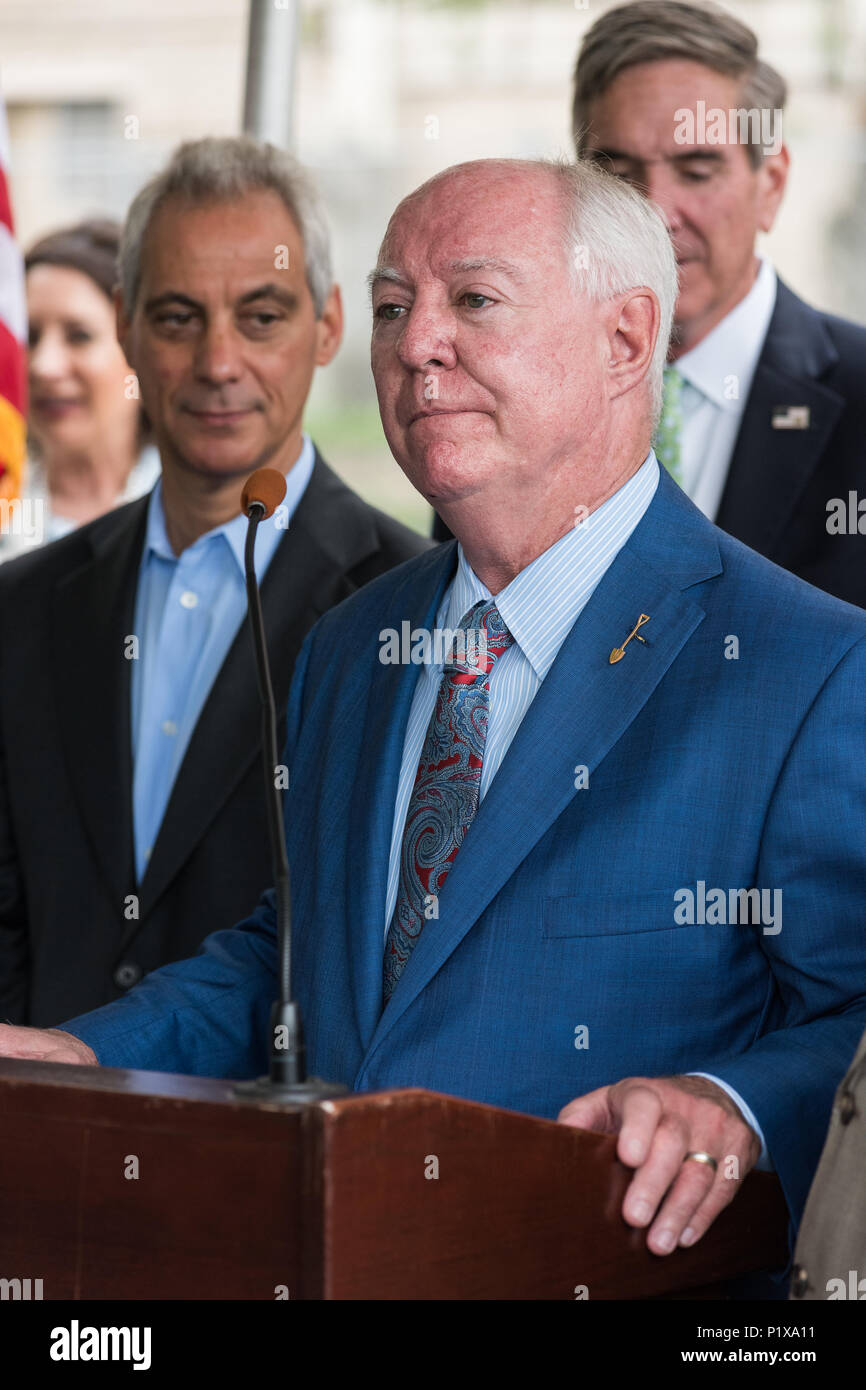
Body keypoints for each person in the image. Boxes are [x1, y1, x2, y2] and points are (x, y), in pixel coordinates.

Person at [2, 157, 864, 1268]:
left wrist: (730, 1103)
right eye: (393, 306)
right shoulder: (349, 645)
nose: (414, 345)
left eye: (473, 299)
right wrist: (85, 1058)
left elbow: (851, 1019)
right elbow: (292, 956)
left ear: (623, 340)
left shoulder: (806, 667)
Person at [0, 136, 429, 1026]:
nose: (218, 362)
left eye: (262, 317)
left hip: (275, 1144)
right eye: (177, 317)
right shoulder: (21, 605)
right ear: (125, 326)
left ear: (329, 325)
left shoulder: (418, 608)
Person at [568, 0, 866, 609]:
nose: (655, 213)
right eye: (617, 175)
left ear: (771, 186)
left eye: (697, 170)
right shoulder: (521, 389)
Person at [0, 220, 159, 561]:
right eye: (31, 337)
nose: (44, 365)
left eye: (79, 336)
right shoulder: (6, 501)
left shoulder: (200, 507)